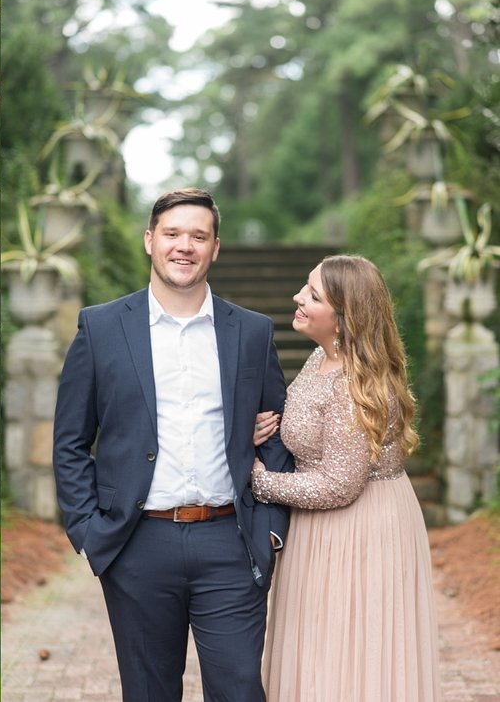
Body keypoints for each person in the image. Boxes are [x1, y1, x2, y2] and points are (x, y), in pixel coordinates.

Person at [52, 187, 295, 702]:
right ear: (149, 241)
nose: (184, 246)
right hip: (137, 543)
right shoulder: (100, 327)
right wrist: (88, 532)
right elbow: (71, 441)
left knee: (239, 692)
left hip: (230, 543)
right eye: (172, 234)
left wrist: (270, 531)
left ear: (215, 248)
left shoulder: (251, 331)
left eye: (198, 236)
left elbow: (278, 432)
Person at [249, 254, 441, 701]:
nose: (298, 297)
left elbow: (338, 485)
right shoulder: (324, 356)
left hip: (357, 531)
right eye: (305, 286)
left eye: (313, 295)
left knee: (348, 653)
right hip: (322, 528)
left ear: (344, 318)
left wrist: (257, 478)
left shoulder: (354, 381)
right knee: (322, 648)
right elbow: (313, 432)